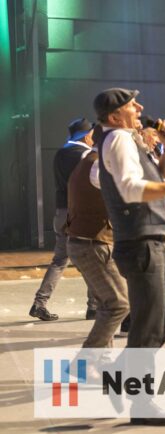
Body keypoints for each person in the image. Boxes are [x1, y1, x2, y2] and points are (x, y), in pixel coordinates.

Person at [94, 88, 165, 426]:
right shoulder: (118, 139)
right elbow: (131, 189)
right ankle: (141, 402)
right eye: (132, 105)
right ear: (115, 116)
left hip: (156, 241)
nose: (140, 107)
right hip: (141, 242)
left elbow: (160, 179)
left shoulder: (129, 140)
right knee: (148, 325)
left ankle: (119, 373)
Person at [65, 126, 129, 348]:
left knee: (107, 304)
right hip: (92, 244)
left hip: (86, 241)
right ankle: (87, 359)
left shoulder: (89, 161)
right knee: (119, 304)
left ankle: (102, 359)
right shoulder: (98, 166)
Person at [29, 118, 97, 321]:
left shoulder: (60, 153)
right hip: (78, 214)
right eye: (92, 134)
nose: (94, 137)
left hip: (61, 213)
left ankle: (39, 303)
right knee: (91, 260)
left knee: (60, 260)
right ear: (86, 135)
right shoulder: (85, 155)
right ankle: (94, 307)